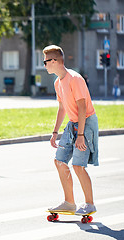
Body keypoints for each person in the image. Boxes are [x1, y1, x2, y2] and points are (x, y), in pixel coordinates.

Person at [43, 45, 99, 216]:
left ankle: (89, 204)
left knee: (78, 166)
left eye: (45, 62)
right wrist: (55, 133)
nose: (44, 65)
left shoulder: (75, 79)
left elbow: (82, 108)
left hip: (86, 122)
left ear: (54, 61)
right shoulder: (57, 83)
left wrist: (80, 135)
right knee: (59, 161)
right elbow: (62, 108)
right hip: (72, 123)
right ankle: (69, 203)